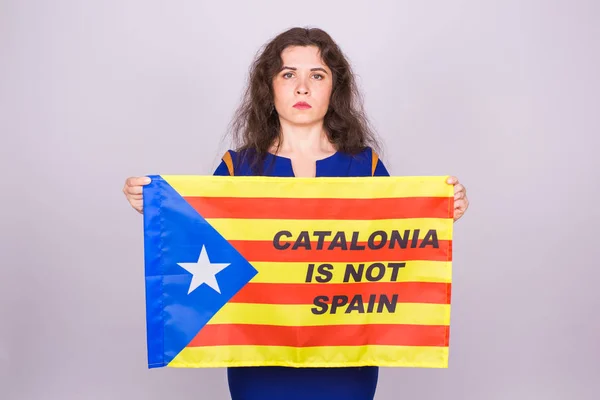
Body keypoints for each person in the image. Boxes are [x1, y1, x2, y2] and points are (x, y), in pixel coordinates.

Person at [123, 27, 469, 400]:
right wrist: (157, 205)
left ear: (333, 89)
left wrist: (440, 209)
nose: (302, 87)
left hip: (346, 358)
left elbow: (395, 246)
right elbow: (202, 239)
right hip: (258, 358)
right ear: (269, 88)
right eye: (289, 75)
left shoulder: (365, 165)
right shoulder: (237, 167)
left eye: (316, 75)